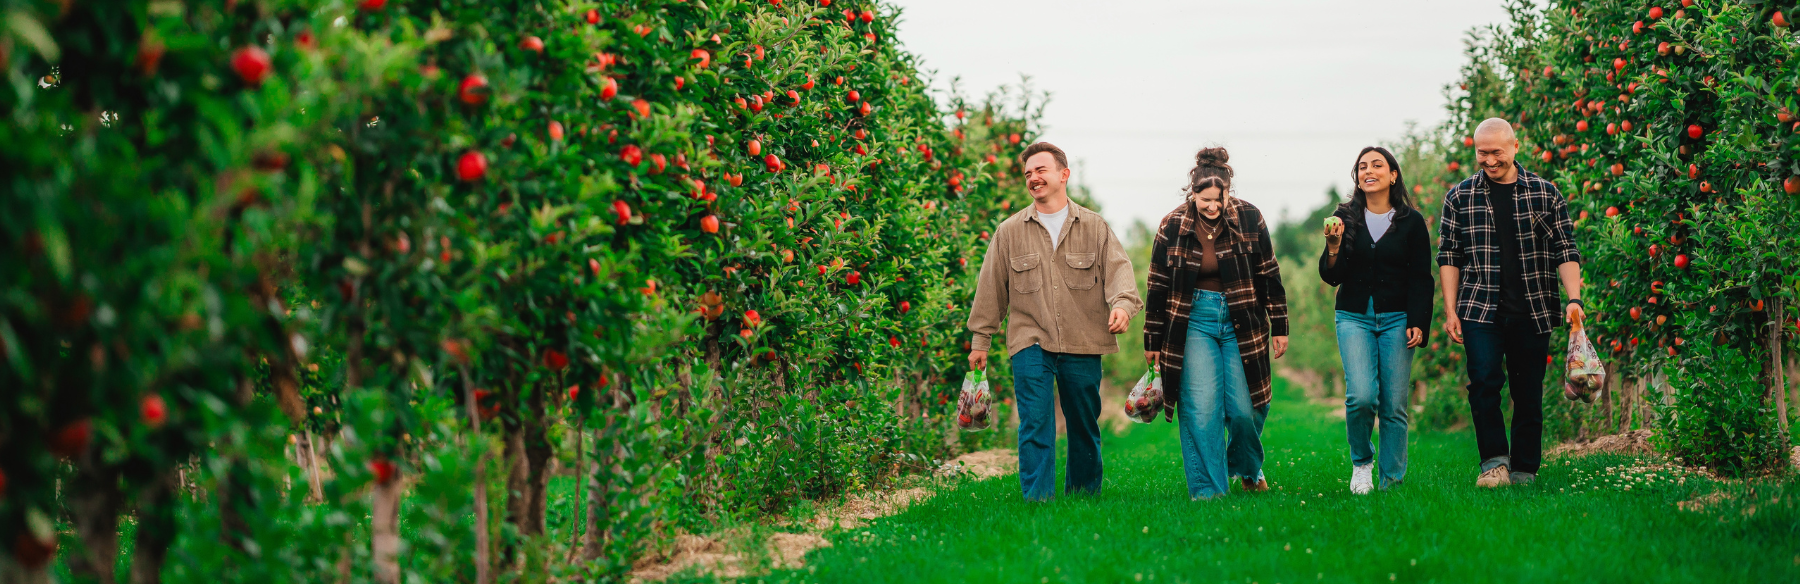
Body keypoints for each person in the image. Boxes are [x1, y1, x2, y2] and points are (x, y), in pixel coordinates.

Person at [967, 142, 1141, 502]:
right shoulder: (1009, 232)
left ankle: (1082, 496)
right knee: (1034, 421)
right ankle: (1038, 500)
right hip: (1030, 339)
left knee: (1083, 424)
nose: (1033, 178)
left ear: (1064, 175)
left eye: (1041, 170)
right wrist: (980, 341)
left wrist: (1122, 306)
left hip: (1083, 339)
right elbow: (990, 290)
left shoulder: (1094, 227)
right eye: (1028, 173)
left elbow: (1120, 273)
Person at [1437, 118, 1585, 488]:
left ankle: (1523, 469)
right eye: (1481, 153)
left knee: (1528, 390)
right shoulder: (1460, 196)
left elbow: (1564, 248)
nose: (1489, 160)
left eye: (1496, 152)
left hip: (1533, 308)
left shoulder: (1544, 193)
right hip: (1478, 307)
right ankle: (1493, 464)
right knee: (1484, 382)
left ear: (1515, 147)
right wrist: (1451, 309)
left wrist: (1573, 298)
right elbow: (1449, 256)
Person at [1144, 147, 1289, 500]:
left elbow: (1269, 273)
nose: (1211, 206)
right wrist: (1152, 339)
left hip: (1243, 317)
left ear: (1228, 192)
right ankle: (1209, 493)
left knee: (1246, 408)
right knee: (1202, 409)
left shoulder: (1250, 218)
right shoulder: (1172, 225)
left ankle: (1246, 466)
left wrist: (1280, 324)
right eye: (1204, 199)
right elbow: (1157, 284)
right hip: (1193, 320)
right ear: (1191, 193)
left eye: (1217, 199)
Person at [1319, 146, 1434, 494]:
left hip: (1398, 318)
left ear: (1393, 175)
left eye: (1377, 165)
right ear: (1357, 177)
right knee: (1362, 396)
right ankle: (1362, 463)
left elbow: (1421, 278)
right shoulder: (1344, 217)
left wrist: (1419, 320)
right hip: (1354, 317)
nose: (1368, 170)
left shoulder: (1411, 222)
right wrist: (1334, 245)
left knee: (1395, 403)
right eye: (1362, 166)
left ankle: (1393, 483)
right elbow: (1330, 275)